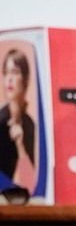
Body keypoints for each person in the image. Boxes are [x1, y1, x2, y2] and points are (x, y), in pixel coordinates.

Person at [0, 48, 38, 194]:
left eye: (15, 72)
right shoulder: (1, 120)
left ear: (25, 79)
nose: (9, 79)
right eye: (6, 73)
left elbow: (29, 183)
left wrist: (20, 145)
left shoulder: (29, 126)